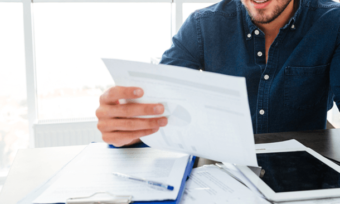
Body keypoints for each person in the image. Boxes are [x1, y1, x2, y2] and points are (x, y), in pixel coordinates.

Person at [96, 0, 340, 147]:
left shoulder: (333, 22)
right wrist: (129, 129)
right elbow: (162, 108)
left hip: (307, 175)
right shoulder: (203, 25)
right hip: (222, 173)